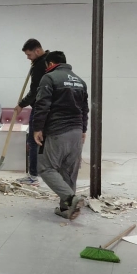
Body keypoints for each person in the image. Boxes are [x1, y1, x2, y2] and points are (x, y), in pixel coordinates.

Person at [31, 51, 88, 218]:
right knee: (69, 171)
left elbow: (42, 105)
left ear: (50, 64)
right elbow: (85, 109)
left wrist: (37, 128)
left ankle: (70, 199)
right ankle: (66, 209)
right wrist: (83, 129)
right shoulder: (80, 81)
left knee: (45, 167)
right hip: (76, 131)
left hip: (57, 131)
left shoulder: (49, 78)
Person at [14, 38, 48, 185]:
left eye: (29, 54)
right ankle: (47, 174)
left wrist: (21, 104)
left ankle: (33, 176)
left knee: (33, 141)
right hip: (50, 108)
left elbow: (35, 91)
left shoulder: (39, 65)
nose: (28, 58)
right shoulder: (49, 61)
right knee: (44, 141)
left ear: (37, 51)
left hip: (40, 107)